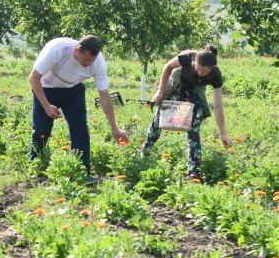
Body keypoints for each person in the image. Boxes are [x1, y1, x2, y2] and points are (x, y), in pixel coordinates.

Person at [29, 35, 128, 184]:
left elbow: (104, 96)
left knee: (80, 129)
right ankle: (35, 165)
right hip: (46, 88)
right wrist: (46, 106)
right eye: (85, 59)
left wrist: (115, 128)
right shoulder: (58, 50)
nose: (88, 64)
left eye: (91, 60)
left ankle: (83, 172)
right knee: (42, 129)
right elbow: (34, 77)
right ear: (77, 51)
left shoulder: (98, 62)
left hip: (73, 90)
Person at [142, 45, 231, 183]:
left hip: (196, 91)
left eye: (204, 71)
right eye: (198, 68)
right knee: (159, 120)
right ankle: (145, 152)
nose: (200, 72)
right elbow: (168, 67)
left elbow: (218, 106)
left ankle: (193, 170)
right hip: (178, 83)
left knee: (193, 128)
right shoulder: (188, 56)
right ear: (194, 61)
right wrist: (160, 91)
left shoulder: (215, 75)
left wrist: (223, 134)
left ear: (212, 68)